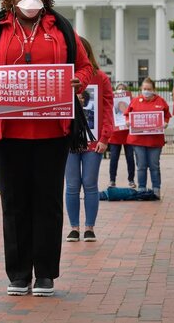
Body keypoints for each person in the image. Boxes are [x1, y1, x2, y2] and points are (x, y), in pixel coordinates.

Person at [0, 0, 93, 297]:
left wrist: (80, 81)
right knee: (15, 203)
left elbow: (85, 66)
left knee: (48, 203)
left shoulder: (61, 28)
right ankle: (19, 273)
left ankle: (46, 272)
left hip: (52, 130)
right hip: (9, 132)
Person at [65, 37, 113, 243]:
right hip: (68, 141)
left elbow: (108, 109)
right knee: (72, 185)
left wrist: (105, 137)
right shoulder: (64, 76)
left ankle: (89, 228)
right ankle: (74, 228)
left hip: (94, 142)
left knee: (90, 184)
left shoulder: (100, 77)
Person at [124, 77, 171, 199]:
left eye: (149, 89)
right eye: (144, 89)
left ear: (153, 89)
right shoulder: (135, 101)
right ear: (141, 89)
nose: (146, 91)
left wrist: (165, 122)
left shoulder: (160, 101)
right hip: (138, 139)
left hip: (155, 140)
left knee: (154, 165)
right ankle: (141, 189)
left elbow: (167, 116)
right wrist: (128, 121)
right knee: (141, 165)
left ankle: (156, 190)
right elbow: (126, 115)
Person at [109, 83, 136, 188]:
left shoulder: (131, 103)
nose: (120, 91)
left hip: (127, 135)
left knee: (130, 158)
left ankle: (131, 179)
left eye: (123, 89)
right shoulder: (112, 103)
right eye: (119, 89)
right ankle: (112, 180)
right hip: (115, 136)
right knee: (114, 158)